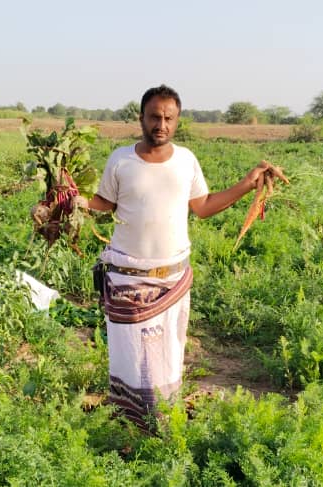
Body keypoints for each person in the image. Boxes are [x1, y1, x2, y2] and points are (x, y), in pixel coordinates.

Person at [81, 85, 282, 429]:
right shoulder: (120, 159)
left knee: (166, 358)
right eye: (154, 117)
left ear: (177, 120)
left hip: (173, 279)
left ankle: (160, 421)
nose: (161, 124)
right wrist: (67, 201)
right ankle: (128, 425)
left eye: (168, 118)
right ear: (141, 118)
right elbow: (103, 205)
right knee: (131, 360)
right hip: (128, 276)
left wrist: (247, 185)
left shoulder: (186, 160)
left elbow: (203, 208)